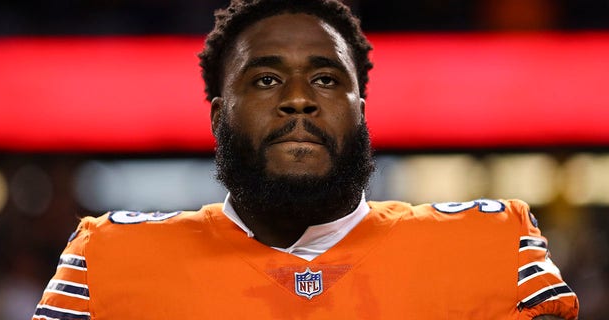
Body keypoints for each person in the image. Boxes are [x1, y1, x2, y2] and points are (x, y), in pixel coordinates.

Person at [32, 0, 579, 319]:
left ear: (361, 112)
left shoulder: (491, 248)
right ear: (218, 115)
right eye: (266, 80)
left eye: (325, 78)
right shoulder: (108, 259)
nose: (299, 98)